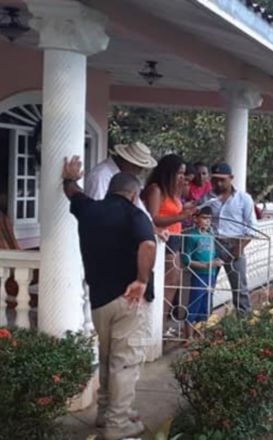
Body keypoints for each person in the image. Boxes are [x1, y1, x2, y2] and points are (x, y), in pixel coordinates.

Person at [62, 156, 156, 440]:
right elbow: (148, 244)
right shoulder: (135, 215)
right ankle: (118, 425)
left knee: (106, 359)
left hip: (99, 300)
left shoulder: (89, 209)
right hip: (130, 300)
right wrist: (141, 280)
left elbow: (73, 193)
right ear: (134, 194)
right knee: (125, 363)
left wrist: (69, 177)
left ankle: (107, 413)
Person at [142, 154, 196, 325]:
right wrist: (180, 217)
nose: (182, 177)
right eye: (179, 173)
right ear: (169, 172)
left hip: (175, 239)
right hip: (162, 239)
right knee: (165, 283)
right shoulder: (156, 189)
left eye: (184, 173)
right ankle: (155, 324)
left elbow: (172, 211)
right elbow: (154, 218)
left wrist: (185, 210)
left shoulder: (172, 192)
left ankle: (162, 323)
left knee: (172, 283)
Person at [200, 163, 258, 314]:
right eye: (215, 180)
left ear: (231, 178)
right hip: (211, 244)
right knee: (206, 286)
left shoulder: (243, 199)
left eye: (222, 180)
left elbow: (253, 227)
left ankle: (244, 325)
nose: (218, 183)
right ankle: (203, 322)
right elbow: (199, 219)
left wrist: (239, 247)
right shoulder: (207, 198)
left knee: (240, 288)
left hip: (235, 244)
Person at [182, 206, 223, 332]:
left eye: (209, 219)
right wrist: (205, 265)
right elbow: (186, 259)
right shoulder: (191, 236)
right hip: (198, 274)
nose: (207, 221)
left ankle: (200, 333)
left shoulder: (210, 235)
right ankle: (188, 336)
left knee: (205, 304)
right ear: (196, 219)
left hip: (211, 274)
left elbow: (214, 253)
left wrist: (217, 262)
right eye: (204, 218)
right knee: (195, 302)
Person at [84, 142, 157, 202]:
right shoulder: (101, 176)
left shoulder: (124, 177)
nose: (138, 172)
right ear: (127, 161)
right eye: (137, 167)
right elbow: (97, 210)